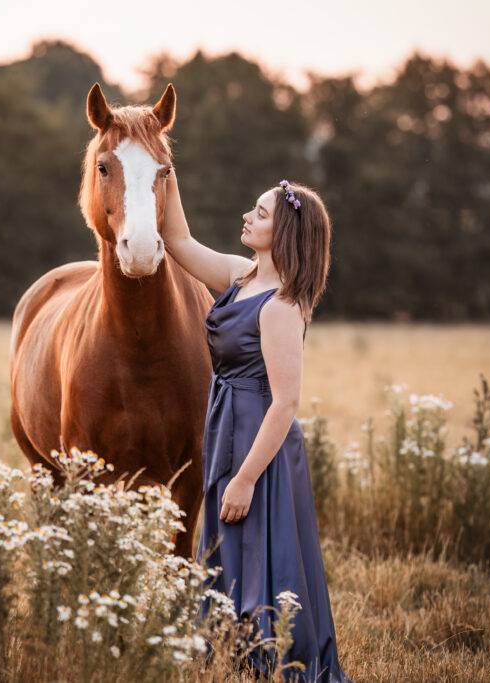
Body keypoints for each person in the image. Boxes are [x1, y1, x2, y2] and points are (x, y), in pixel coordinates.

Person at [162, 171, 352, 682]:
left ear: (284, 232)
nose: (247, 216)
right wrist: (167, 171)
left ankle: (275, 658)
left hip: (260, 442)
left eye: (261, 212)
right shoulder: (241, 277)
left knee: (261, 545)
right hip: (227, 426)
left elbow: (286, 402)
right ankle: (233, 653)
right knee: (228, 542)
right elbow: (178, 240)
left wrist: (246, 477)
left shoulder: (282, 307)